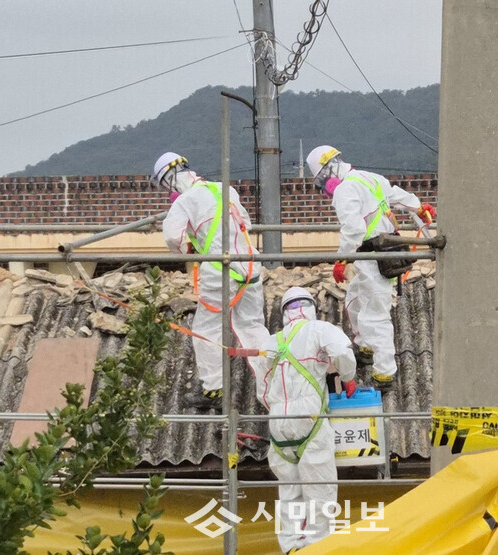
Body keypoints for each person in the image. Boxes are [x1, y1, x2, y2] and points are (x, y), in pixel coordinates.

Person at [306, 145, 436, 391]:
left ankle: (384, 374)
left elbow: (354, 229)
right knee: (354, 301)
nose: (324, 187)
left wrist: (342, 259)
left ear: (327, 172)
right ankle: (365, 348)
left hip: (372, 257)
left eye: (321, 180)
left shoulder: (345, 190)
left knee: (375, 317)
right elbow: (396, 194)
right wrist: (418, 207)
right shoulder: (368, 177)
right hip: (382, 253)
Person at [152, 151, 269, 409]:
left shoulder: (184, 201)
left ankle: (213, 390)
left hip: (220, 271)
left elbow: (173, 237)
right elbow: (246, 224)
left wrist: (188, 249)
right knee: (252, 327)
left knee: (207, 329)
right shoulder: (225, 189)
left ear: (169, 180)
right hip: (250, 266)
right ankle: (273, 380)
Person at [252, 287, 357, 554]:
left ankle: (291, 546)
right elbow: (342, 351)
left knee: (289, 489)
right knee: (319, 487)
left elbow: (262, 389)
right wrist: (347, 377)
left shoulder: (271, 342)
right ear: (311, 308)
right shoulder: (319, 329)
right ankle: (317, 547)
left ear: (284, 313)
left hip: (279, 421)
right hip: (309, 416)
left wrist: (277, 408)